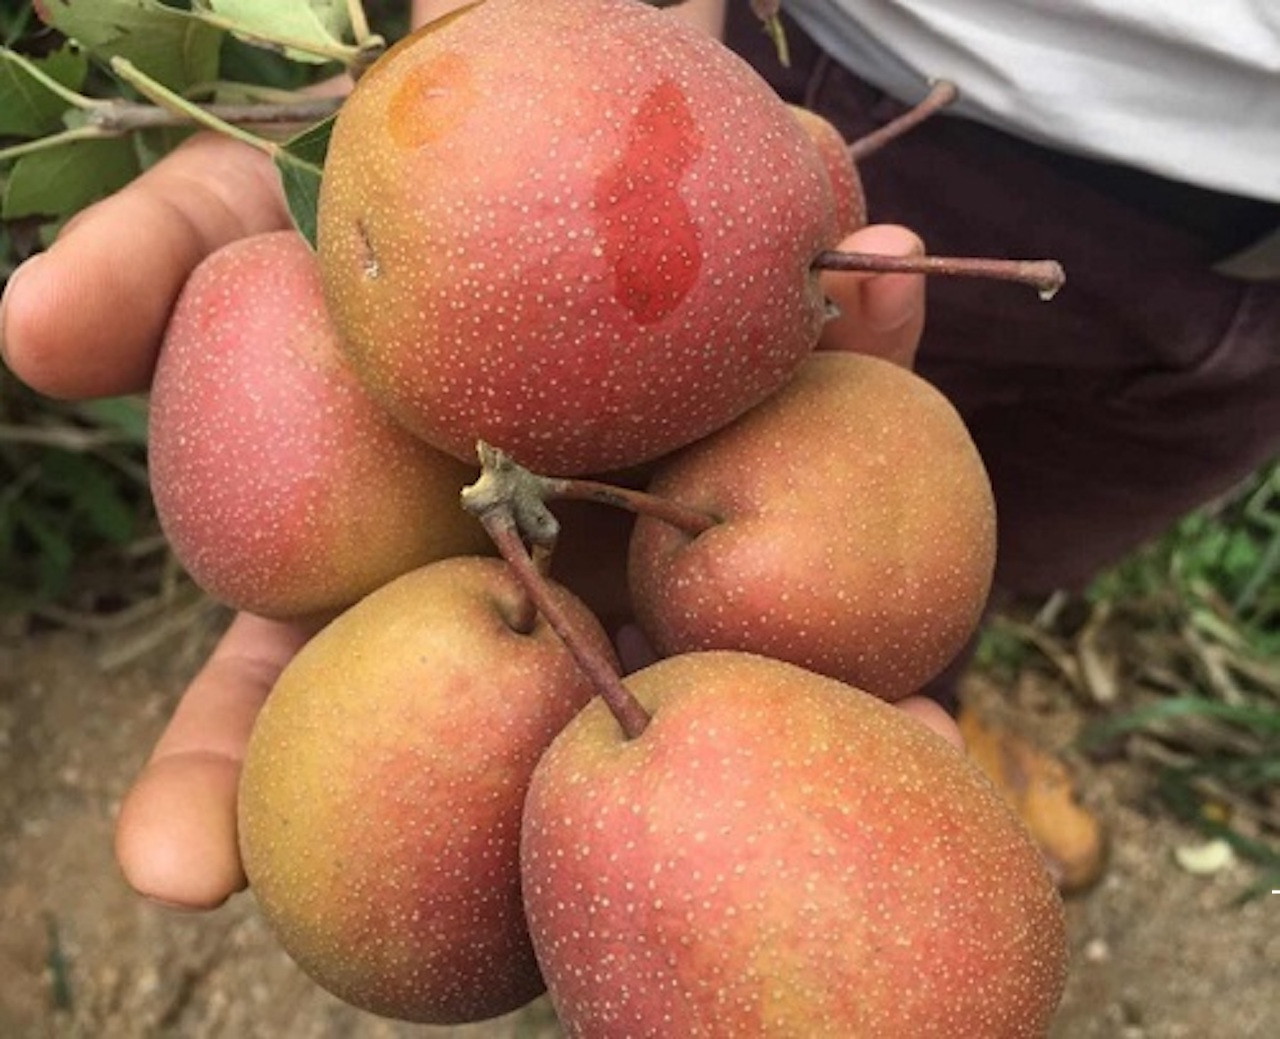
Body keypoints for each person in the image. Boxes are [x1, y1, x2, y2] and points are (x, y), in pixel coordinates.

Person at [3, 0, 1276, 912]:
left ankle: (938, 689)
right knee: (863, 549)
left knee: (997, 535)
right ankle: (916, 703)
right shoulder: (747, 213)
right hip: (894, 79)